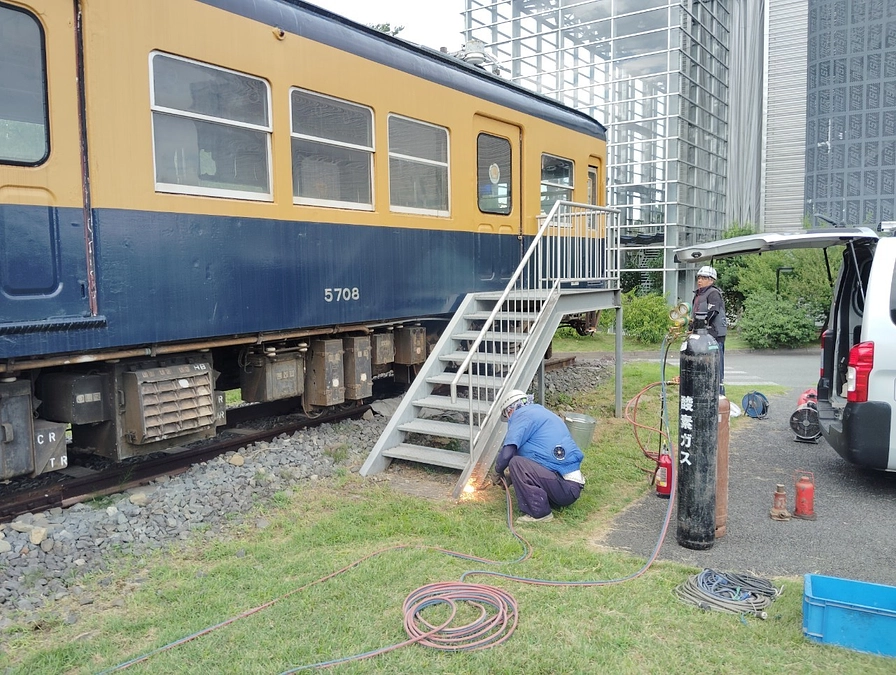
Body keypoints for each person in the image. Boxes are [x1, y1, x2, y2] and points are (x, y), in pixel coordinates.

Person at [492, 390, 585, 523]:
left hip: (565, 488)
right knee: (518, 462)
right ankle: (545, 502)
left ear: (510, 410)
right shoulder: (540, 412)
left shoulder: (522, 415)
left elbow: (507, 453)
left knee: (516, 462)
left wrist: (497, 471)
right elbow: (537, 459)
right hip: (569, 487)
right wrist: (511, 478)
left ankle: (539, 513)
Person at [691, 265, 727, 391]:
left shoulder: (713, 293)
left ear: (712, 280)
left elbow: (712, 312)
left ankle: (720, 397)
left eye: (704, 277)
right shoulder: (699, 294)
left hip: (715, 336)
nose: (699, 280)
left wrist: (699, 324)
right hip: (702, 337)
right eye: (699, 277)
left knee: (715, 369)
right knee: (703, 369)